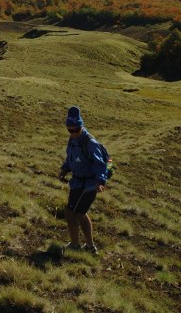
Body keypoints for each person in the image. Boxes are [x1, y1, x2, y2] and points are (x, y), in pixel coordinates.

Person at [58, 106, 109, 255]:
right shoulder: (72, 140)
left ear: (81, 126)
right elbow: (70, 157)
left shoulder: (90, 143)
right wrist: (65, 169)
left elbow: (100, 164)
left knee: (75, 212)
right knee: (73, 212)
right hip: (77, 182)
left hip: (89, 184)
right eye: (70, 130)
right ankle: (81, 245)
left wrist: (100, 181)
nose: (73, 133)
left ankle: (85, 246)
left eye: (75, 130)